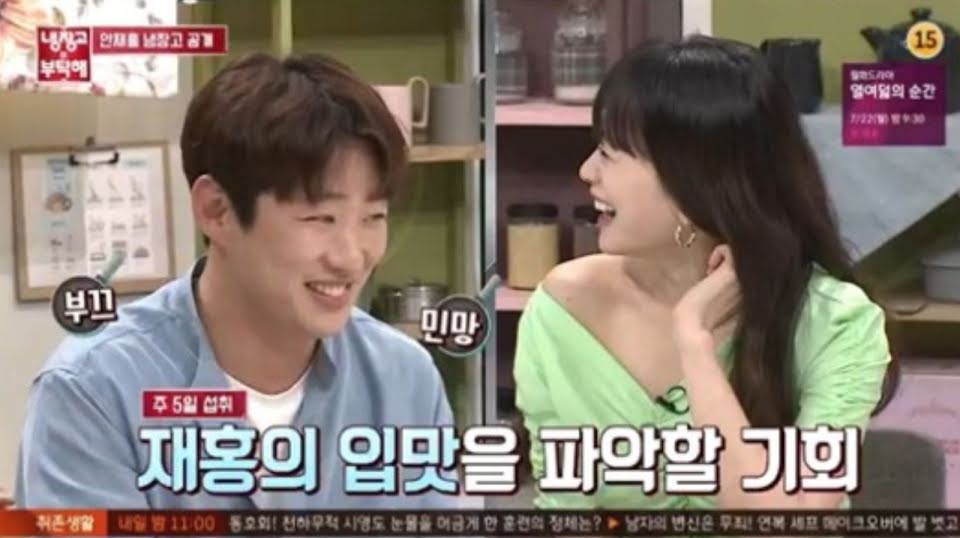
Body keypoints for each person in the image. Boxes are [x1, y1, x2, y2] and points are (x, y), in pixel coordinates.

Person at [16, 53, 459, 509]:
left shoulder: (404, 381)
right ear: (217, 211)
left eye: (373, 217)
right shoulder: (95, 392)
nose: (351, 257)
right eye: (319, 218)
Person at [513, 35, 895, 510]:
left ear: (692, 182)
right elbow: (563, 506)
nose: (586, 171)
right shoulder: (565, 308)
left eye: (610, 153)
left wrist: (694, 343)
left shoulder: (835, 322)